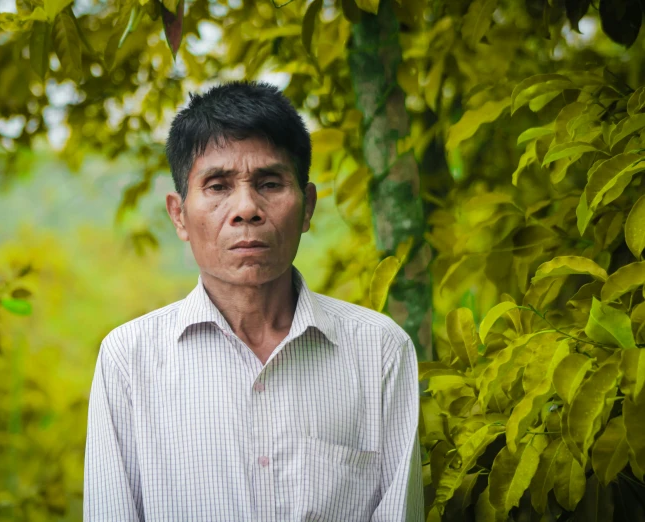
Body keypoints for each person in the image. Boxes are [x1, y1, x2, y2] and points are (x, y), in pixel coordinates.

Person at [83, 81, 424, 521]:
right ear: (179, 215)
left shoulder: (379, 351)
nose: (247, 208)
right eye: (218, 186)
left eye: (269, 183)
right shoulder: (129, 360)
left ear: (307, 207)